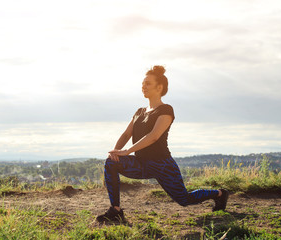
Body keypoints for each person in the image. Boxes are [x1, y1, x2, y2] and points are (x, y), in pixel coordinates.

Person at [96, 65, 229, 223]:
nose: (143, 86)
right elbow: (126, 134)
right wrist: (116, 151)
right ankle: (116, 211)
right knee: (111, 162)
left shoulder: (166, 110)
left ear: (159, 87)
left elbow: (153, 136)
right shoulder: (139, 111)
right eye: (143, 83)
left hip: (162, 164)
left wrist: (127, 151)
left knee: (184, 199)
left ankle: (219, 194)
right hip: (141, 163)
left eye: (148, 83)